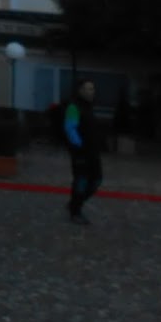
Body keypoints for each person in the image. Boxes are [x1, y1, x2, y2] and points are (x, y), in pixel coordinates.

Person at [63, 79, 103, 226]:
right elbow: (70, 128)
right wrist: (79, 146)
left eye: (92, 89)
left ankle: (74, 203)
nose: (91, 92)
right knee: (81, 181)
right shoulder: (74, 107)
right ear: (80, 90)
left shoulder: (89, 107)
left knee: (96, 180)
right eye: (88, 88)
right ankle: (76, 211)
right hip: (81, 153)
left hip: (93, 152)